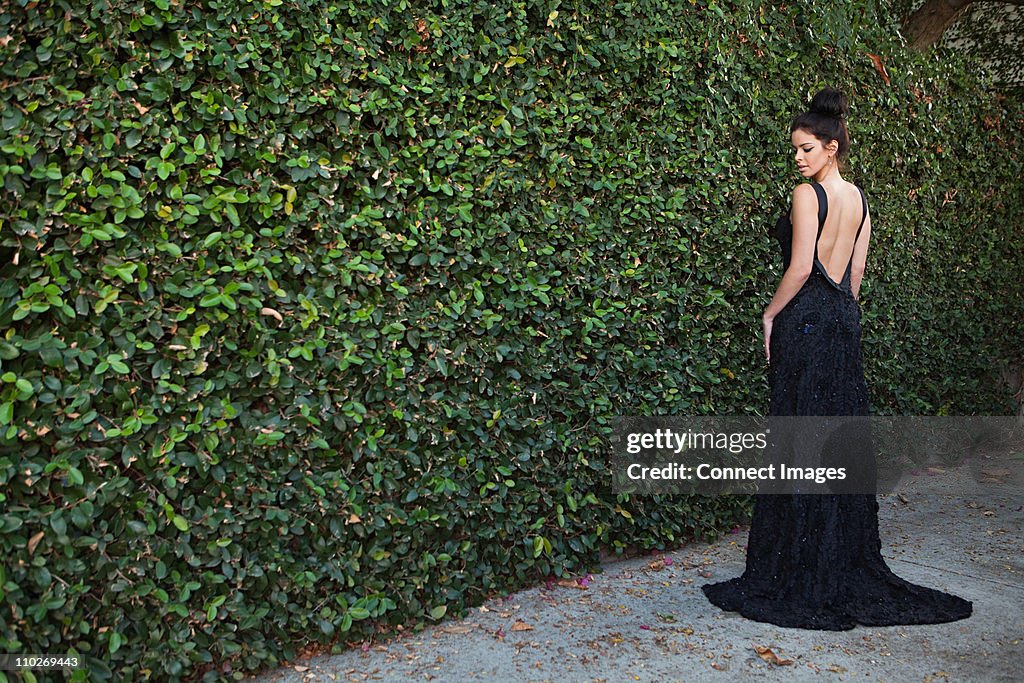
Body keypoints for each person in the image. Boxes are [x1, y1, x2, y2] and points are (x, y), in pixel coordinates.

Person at [700, 87, 973, 630]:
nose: (797, 159)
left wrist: (769, 316)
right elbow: (854, 279)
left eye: (805, 149)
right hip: (843, 322)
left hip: (805, 319)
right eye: (794, 151)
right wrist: (838, 321)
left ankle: (797, 570)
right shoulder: (862, 201)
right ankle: (836, 560)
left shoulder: (808, 197)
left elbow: (801, 268)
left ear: (830, 147)